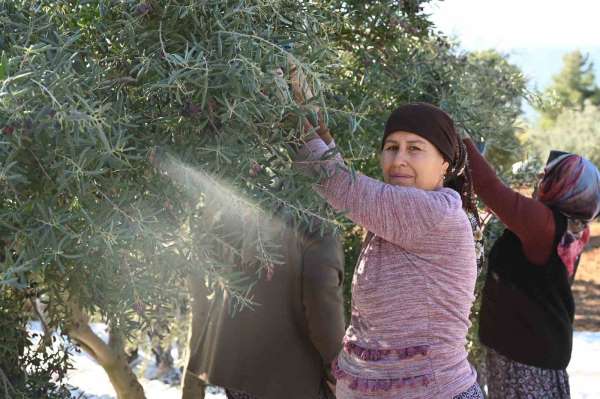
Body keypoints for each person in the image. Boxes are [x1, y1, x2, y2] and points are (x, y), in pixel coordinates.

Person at [293, 102, 483, 398]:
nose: (399, 160)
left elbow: (341, 184)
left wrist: (285, 114)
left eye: (415, 149)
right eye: (392, 147)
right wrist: (317, 126)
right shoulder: (397, 214)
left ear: (444, 163)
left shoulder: (435, 214)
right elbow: (349, 183)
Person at [464, 138, 600, 398]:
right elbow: (510, 209)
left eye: (548, 175)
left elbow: (489, 187)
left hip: (523, 355)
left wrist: (456, 137)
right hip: (539, 351)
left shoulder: (543, 225)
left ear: (563, 185)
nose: (540, 178)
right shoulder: (571, 227)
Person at [181, 210, 345, 399]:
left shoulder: (253, 206)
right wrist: (338, 371)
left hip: (238, 372)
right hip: (288, 380)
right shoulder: (318, 228)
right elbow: (323, 314)